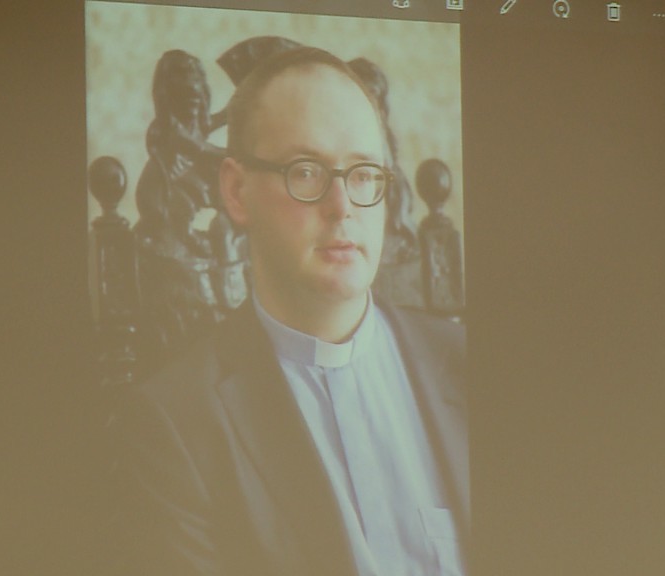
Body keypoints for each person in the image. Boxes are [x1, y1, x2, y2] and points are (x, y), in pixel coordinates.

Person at [111, 46, 467, 576]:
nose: (342, 206)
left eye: (364, 173)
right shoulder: (175, 427)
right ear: (236, 191)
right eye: (306, 171)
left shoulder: (472, 363)